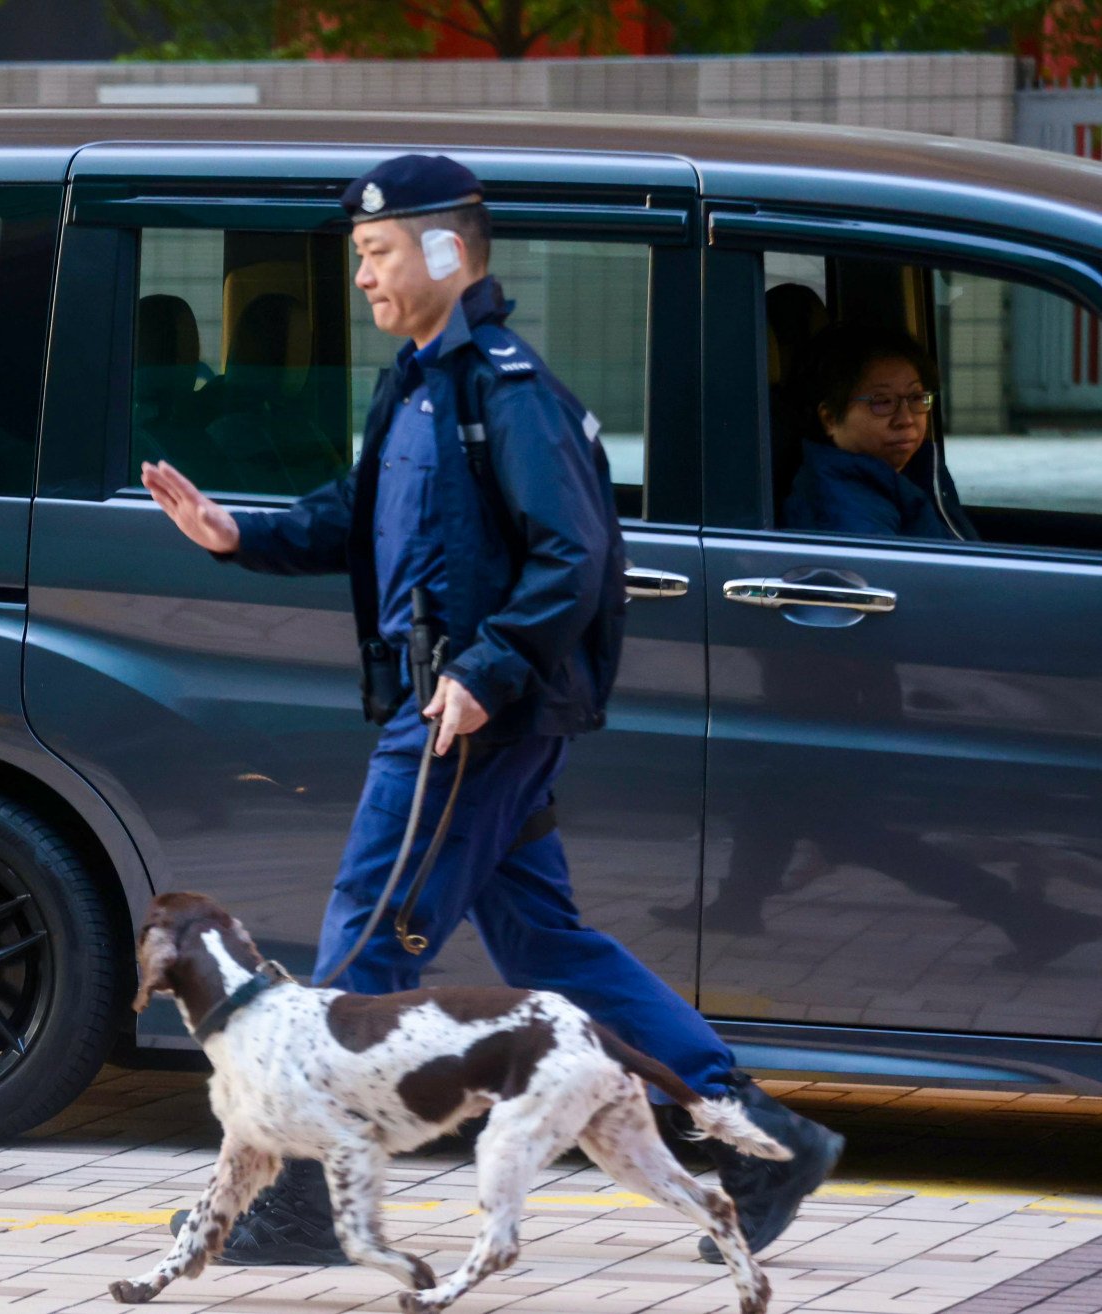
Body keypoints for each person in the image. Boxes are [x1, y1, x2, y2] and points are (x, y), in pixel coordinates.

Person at [142, 154, 842, 1267]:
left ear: (442, 251)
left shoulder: (507, 391)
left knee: (361, 941)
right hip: (462, 710)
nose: (363, 278)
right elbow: (361, 518)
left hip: (469, 720)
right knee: (548, 946)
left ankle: (292, 1207)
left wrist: (487, 671)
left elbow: (578, 553)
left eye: (376, 255)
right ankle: (763, 1142)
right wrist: (243, 535)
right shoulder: (419, 382)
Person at [781, 325, 977, 540]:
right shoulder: (839, 506)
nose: (906, 419)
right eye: (882, 402)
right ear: (830, 419)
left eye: (915, 398)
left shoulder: (914, 469)